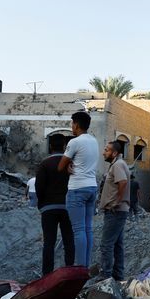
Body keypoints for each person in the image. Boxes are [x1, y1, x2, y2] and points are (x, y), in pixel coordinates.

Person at [58, 112, 99, 267]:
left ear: (76, 124)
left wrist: (68, 165)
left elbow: (61, 166)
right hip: (91, 187)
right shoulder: (94, 141)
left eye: (72, 124)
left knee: (78, 230)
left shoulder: (74, 142)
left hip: (77, 189)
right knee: (88, 229)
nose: (71, 127)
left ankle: (80, 268)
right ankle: (86, 266)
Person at [35, 134, 74, 276]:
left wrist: (42, 204)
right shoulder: (70, 163)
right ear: (64, 147)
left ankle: (47, 275)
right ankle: (70, 271)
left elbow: (39, 187)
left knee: (49, 243)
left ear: (50, 146)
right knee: (69, 240)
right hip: (67, 207)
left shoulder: (44, 164)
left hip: (48, 207)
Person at [98, 141, 130, 280]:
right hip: (118, 211)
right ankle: (118, 276)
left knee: (106, 244)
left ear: (115, 153)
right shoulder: (117, 164)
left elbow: (122, 182)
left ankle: (105, 277)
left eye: (107, 150)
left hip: (115, 211)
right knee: (117, 245)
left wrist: (117, 201)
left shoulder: (117, 165)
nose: (104, 152)